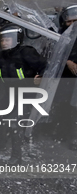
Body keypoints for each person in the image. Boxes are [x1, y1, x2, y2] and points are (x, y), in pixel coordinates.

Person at [0, 23, 47, 165]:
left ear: (17, 39)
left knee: (15, 123)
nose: (4, 43)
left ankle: (16, 156)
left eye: (7, 39)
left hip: (25, 93)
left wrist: (40, 77)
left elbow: (44, 66)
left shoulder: (26, 52)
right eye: (2, 40)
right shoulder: (0, 58)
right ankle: (0, 143)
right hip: (8, 92)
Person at [51, 5, 77, 149]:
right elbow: (55, 52)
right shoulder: (63, 33)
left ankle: (73, 137)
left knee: (74, 107)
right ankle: (62, 130)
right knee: (63, 104)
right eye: (69, 22)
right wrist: (68, 62)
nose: (73, 25)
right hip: (65, 75)